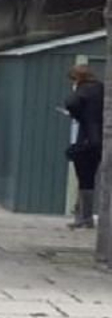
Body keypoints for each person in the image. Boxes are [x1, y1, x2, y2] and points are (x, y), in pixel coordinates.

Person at [63, 63, 104, 229]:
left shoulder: (83, 90)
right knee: (90, 176)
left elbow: (70, 103)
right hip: (99, 138)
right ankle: (83, 216)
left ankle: (84, 217)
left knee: (84, 178)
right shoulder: (101, 88)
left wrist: (77, 115)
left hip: (86, 137)